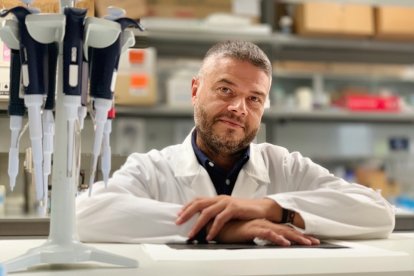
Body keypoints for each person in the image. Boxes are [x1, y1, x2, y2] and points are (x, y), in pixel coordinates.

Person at [76, 41, 395, 245]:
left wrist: (270, 209)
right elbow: (83, 215)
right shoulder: (153, 167)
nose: (239, 108)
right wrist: (217, 227)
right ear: (195, 90)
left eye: (254, 98)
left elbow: (379, 214)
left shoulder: (283, 165)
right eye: (226, 90)